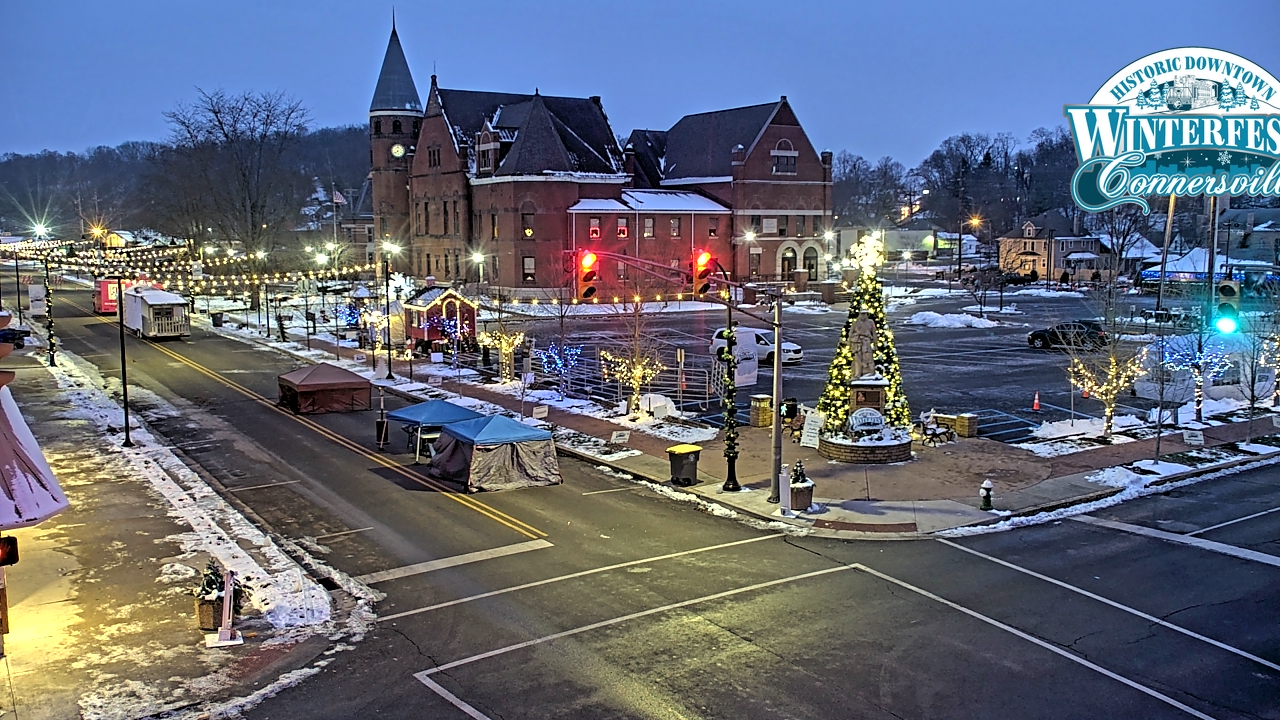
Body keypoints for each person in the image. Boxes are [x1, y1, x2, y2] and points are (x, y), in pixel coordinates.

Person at [851, 310, 876, 377]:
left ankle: (871, 371)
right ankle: (858, 373)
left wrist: (875, 344)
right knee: (858, 359)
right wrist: (850, 343)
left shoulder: (870, 322)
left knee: (869, 357)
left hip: (866, 342)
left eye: (865, 314)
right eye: (862, 314)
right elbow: (851, 333)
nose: (863, 316)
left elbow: (874, 333)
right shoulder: (856, 323)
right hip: (858, 342)